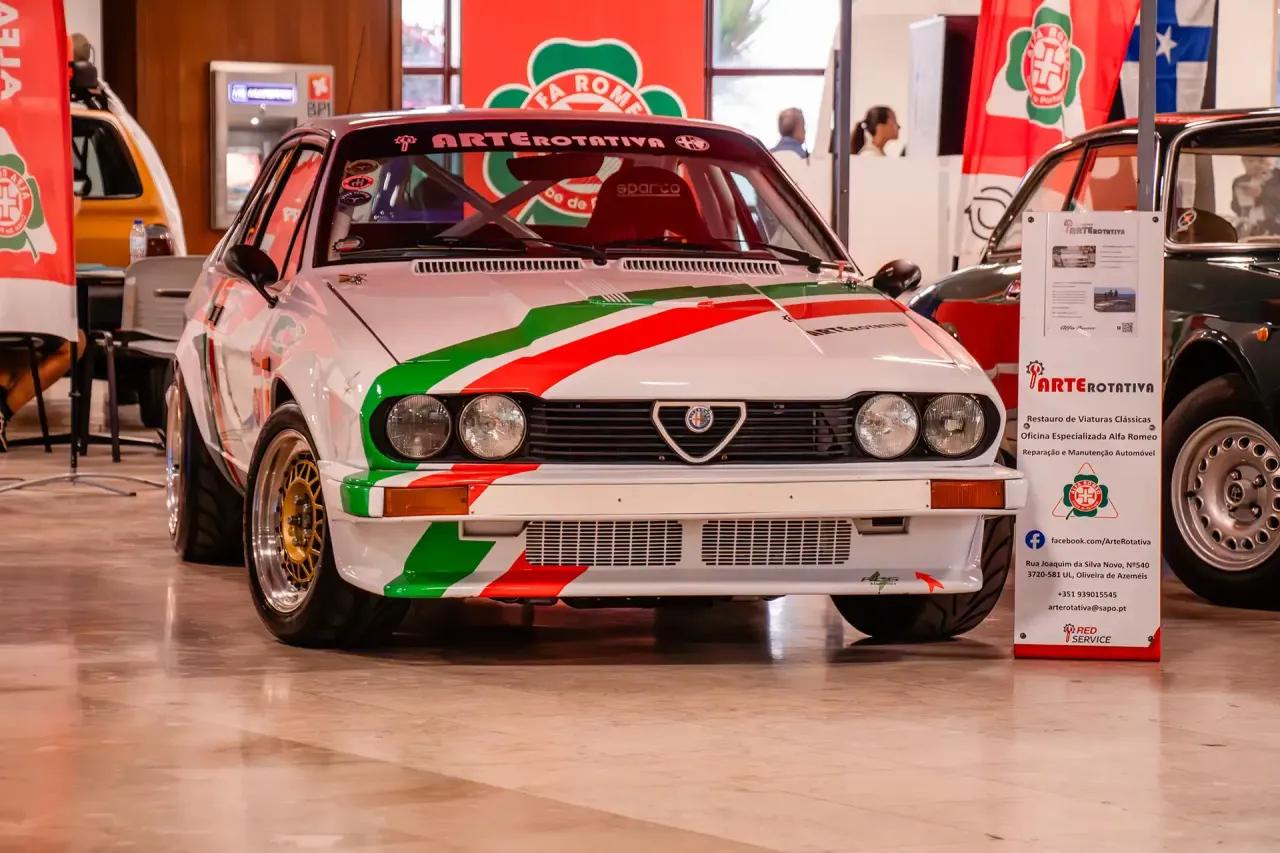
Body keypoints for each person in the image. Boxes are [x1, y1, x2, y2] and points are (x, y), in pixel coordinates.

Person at [0, 193, 87, 451]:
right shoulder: (39, 205)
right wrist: (68, 207)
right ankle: (2, 411)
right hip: (22, 312)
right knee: (74, 342)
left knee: (17, 348)